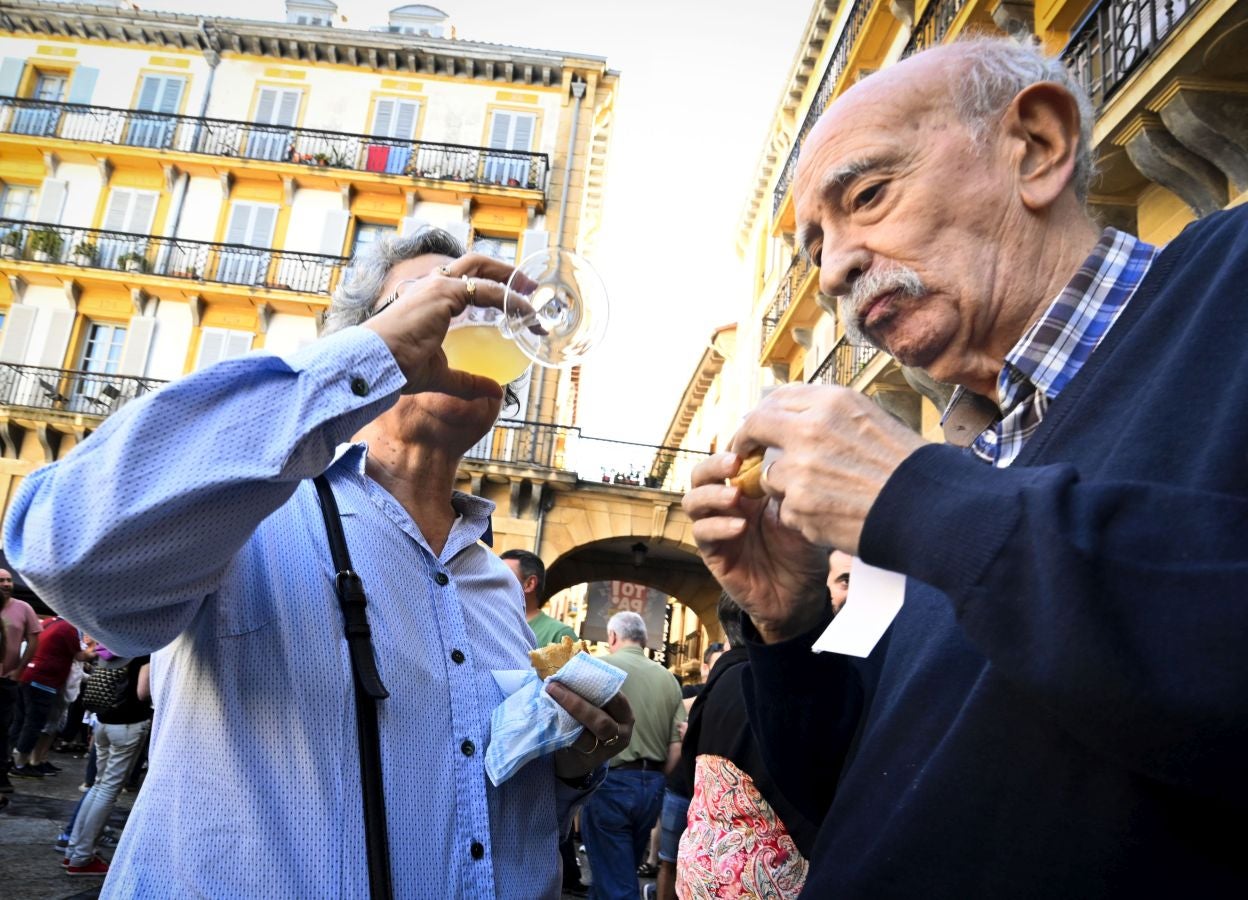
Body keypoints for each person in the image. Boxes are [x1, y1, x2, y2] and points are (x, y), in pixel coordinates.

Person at [683, 37, 1248, 896]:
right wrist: (788, 624)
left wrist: (920, 500)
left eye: (867, 196)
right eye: (815, 247)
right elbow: (854, 792)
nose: (833, 272)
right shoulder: (969, 460)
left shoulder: (1230, 283)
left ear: (1037, 147)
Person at [4, 228, 633, 898]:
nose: (463, 314)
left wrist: (568, 765)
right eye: (430, 298)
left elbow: (491, 820)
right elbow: (59, 546)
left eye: (483, 307)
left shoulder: (495, 587)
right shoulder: (245, 511)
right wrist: (363, 363)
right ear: (366, 340)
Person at [671, 595, 819, 900]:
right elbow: (797, 793)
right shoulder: (769, 687)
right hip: (758, 878)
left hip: (703, 869)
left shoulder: (719, 684)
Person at [500, 546, 590, 896]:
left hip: (535, 762)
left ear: (529, 584)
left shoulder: (556, 633)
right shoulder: (492, 620)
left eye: (506, 573)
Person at [580, 611, 685, 900]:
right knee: (614, 871)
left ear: (612, 636)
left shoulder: (600, 668)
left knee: (616, 881)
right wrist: (655, 778)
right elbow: (677, 746)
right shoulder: (668, 679)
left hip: (610, 781)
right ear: (644, 640)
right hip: (651, 785)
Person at [64, 654, 152, 877]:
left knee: (98, 785)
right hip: (128, 724)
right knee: (108, 791)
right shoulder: (144, 650)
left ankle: (72, 850)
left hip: (103, 721)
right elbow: (142, 691)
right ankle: (82, 857)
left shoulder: (113, 642)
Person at [10, 616, 91, 779]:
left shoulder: (49, 622)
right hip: (44, 681)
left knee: (21, 721)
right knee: (34, 724)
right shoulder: (68, 628)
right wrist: (96, 648)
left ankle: (11, 760)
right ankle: (19, 764)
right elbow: (80, 656)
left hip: (29, 675)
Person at [1, 568, 41, 793]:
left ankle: (2, 774)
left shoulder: (23, 607)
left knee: (3, 728)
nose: (7, 584)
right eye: (2, 580)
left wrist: (19, 670)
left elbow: (34, 640)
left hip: (6, 680)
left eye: (9, 580)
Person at [500, 548, 579, 647]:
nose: (494, 580)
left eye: (504, 576)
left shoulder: (560, 635)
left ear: (530, 584)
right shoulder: (489, 622)